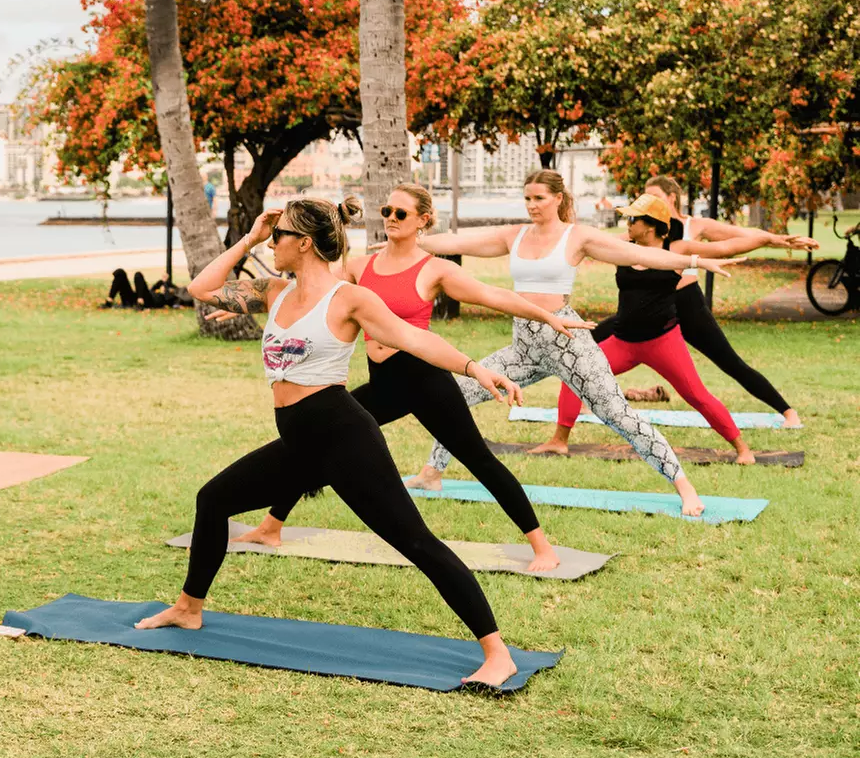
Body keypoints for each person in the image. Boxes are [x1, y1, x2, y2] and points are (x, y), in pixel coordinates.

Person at [137, 196, 529, 688]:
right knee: (213, 500)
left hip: (343, 436)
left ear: (303, 243)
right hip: (298, 439)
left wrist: (476, 369)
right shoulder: (274, 290)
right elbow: (201, 287)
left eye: (279, 235)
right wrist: (252, 237)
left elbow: (415, 339)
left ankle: (497, 652)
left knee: (413, 540)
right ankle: (188, 608)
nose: (273, 242)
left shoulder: (348, 299)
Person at [220, 183, 594, 572]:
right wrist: (247, 302)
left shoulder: (434, 268)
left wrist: (549, 316)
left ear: (423, 221)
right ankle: (271, 526)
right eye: (386, 212)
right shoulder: (360, 266)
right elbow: (309, 290)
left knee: (478, 458)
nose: (391, 220)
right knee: (312, 445)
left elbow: (492, 295)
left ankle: (542, 547)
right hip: (383, 381)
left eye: (400, 213)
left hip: (424, 380)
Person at [406, 170, 742, 517]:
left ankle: (684, 487)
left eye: (539, 198)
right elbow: (456, 243)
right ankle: (432, 473)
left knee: (618, 415)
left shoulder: (576, 237)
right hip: (524, 347)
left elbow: (639, 256)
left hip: (569, 344)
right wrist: (408, 241)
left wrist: (694, 261)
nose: (532, 205)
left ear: (558, 199)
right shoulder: (515, 236)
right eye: (527, 198)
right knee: (456, 395)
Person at [534, 192, 795, 463]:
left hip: (663, 342)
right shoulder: (623, 246)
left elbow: (726, 248)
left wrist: (771, 239)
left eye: (632, 219)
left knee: (697, 395)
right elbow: (578, 238)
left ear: (650, 225)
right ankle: (559, 441)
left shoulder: (677, 249)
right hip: (623, 342)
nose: (627, 223)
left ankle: (743, 449)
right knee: (574, 371)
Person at [594, 176, 816, 425]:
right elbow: (595, 242)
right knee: (588, 341)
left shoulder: (694, 226)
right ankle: (572, 395)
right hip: (650, 308)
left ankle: (787, 411)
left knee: (729, 361)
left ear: (671, 198)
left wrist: (777, 239)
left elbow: (736, 240)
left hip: (687, 303)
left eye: (655, 196)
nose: (648, 202)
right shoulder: (638, 231)